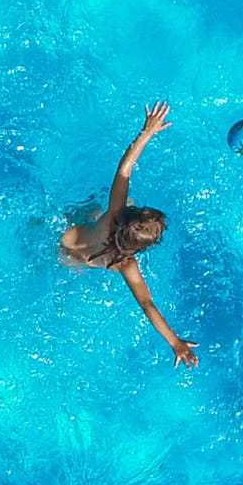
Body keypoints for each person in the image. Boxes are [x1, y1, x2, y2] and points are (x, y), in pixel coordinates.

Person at [59, 102, 198, 368]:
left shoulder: (114, 214)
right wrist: (175, 342)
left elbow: (125, 169)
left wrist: (147, 132)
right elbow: (147, 304)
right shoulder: (126, 264)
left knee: (98, 206)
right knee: (86, 233)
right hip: (79, 262)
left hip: (66, 237)